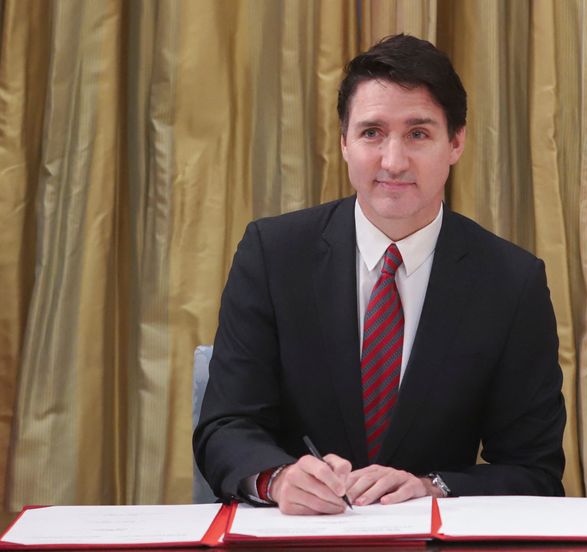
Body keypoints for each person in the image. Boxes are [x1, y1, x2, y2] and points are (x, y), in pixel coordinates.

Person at [193, 34, 565, 515]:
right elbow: (226, 426)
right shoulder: (273, 254)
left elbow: (534, 469)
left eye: (417, 134)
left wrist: (434, 487)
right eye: (372, 133)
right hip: (298, 539)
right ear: (344, 143)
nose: (393, 161)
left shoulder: (512, 281)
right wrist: (278, 479)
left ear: (455, 142)